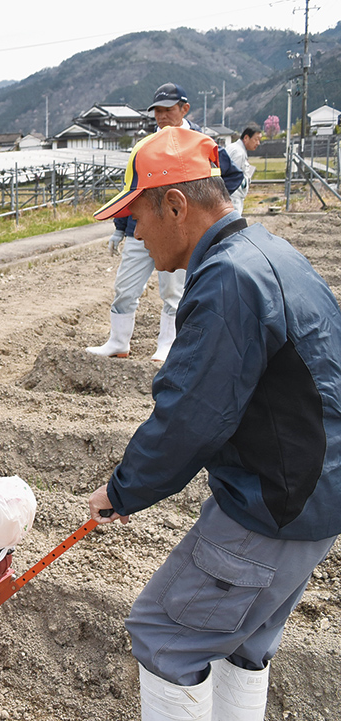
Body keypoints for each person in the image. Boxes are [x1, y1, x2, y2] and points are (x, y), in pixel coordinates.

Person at [88, 127, 341, 720]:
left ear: (174, 204)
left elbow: (192, 417)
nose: (134, 234)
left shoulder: (229, 280)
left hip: (275, 501)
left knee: (162, 634)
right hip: (316, 494)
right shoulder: (267, 252)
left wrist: (122, 490)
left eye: (135, 219)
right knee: (242, 643)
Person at [87, 82, 244, 363]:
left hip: (178, 229)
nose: (162, 116)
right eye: (157, 111)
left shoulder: (199, 143)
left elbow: (230, 177)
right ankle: (118, 341)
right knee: (125, 285)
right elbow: (132, 191)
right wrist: (121, 229)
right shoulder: (145, 147)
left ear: (184, 108)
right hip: (143, 227)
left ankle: (167, 344)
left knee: (173, 289)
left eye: (168, 109)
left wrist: (201, 207)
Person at [225, 123, 262, 216]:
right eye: (256, 139)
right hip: (233, 198)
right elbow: (232, 176)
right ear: (246, 138)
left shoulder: (234, 147)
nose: (258, 143)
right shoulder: (238, 153)